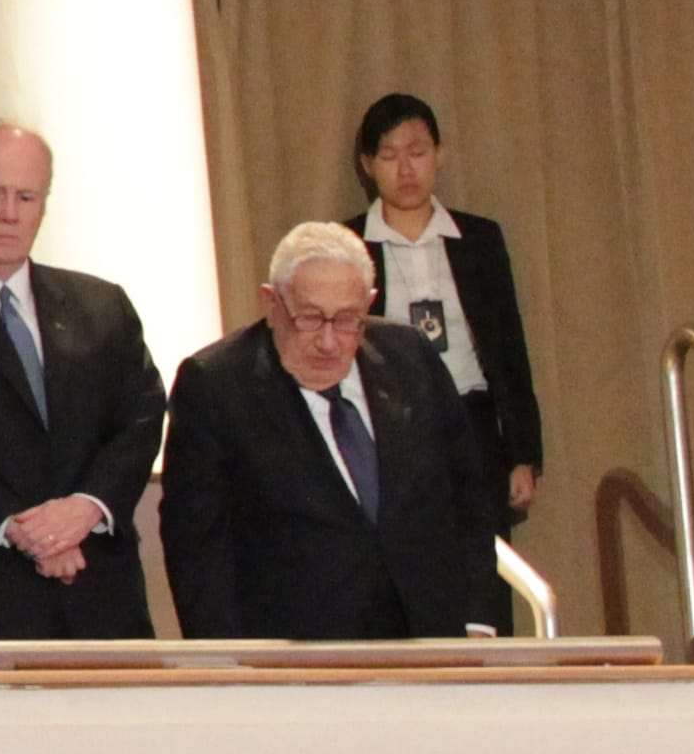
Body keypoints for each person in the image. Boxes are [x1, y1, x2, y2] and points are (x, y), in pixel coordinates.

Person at [162, 222, 502, 641]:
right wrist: (229, 662)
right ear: (271, 303)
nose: (328, 341)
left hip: (429, 635)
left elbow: (468, 497)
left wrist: (477, 618)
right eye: (309, 318)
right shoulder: (215, 385)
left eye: (347, 320)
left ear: (369, 305)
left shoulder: (410, 357)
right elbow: (197, 548)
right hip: (296, 653)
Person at [0, 121, 163, 639]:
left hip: (98, 596)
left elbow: (142, 417)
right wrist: (22, 528)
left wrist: (85, 509)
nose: (10, 213)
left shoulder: (102, 306)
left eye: (27, 196)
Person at [349, 92, 545, 528]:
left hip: (471, 423)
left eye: (418, 152)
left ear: (440, 154)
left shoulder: (478, 239)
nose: (406, 169)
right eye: (389, 155)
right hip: (389, 429)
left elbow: (509, 351)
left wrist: (522, 455)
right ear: (367, 164)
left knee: (485, 579)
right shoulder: (347, 244)